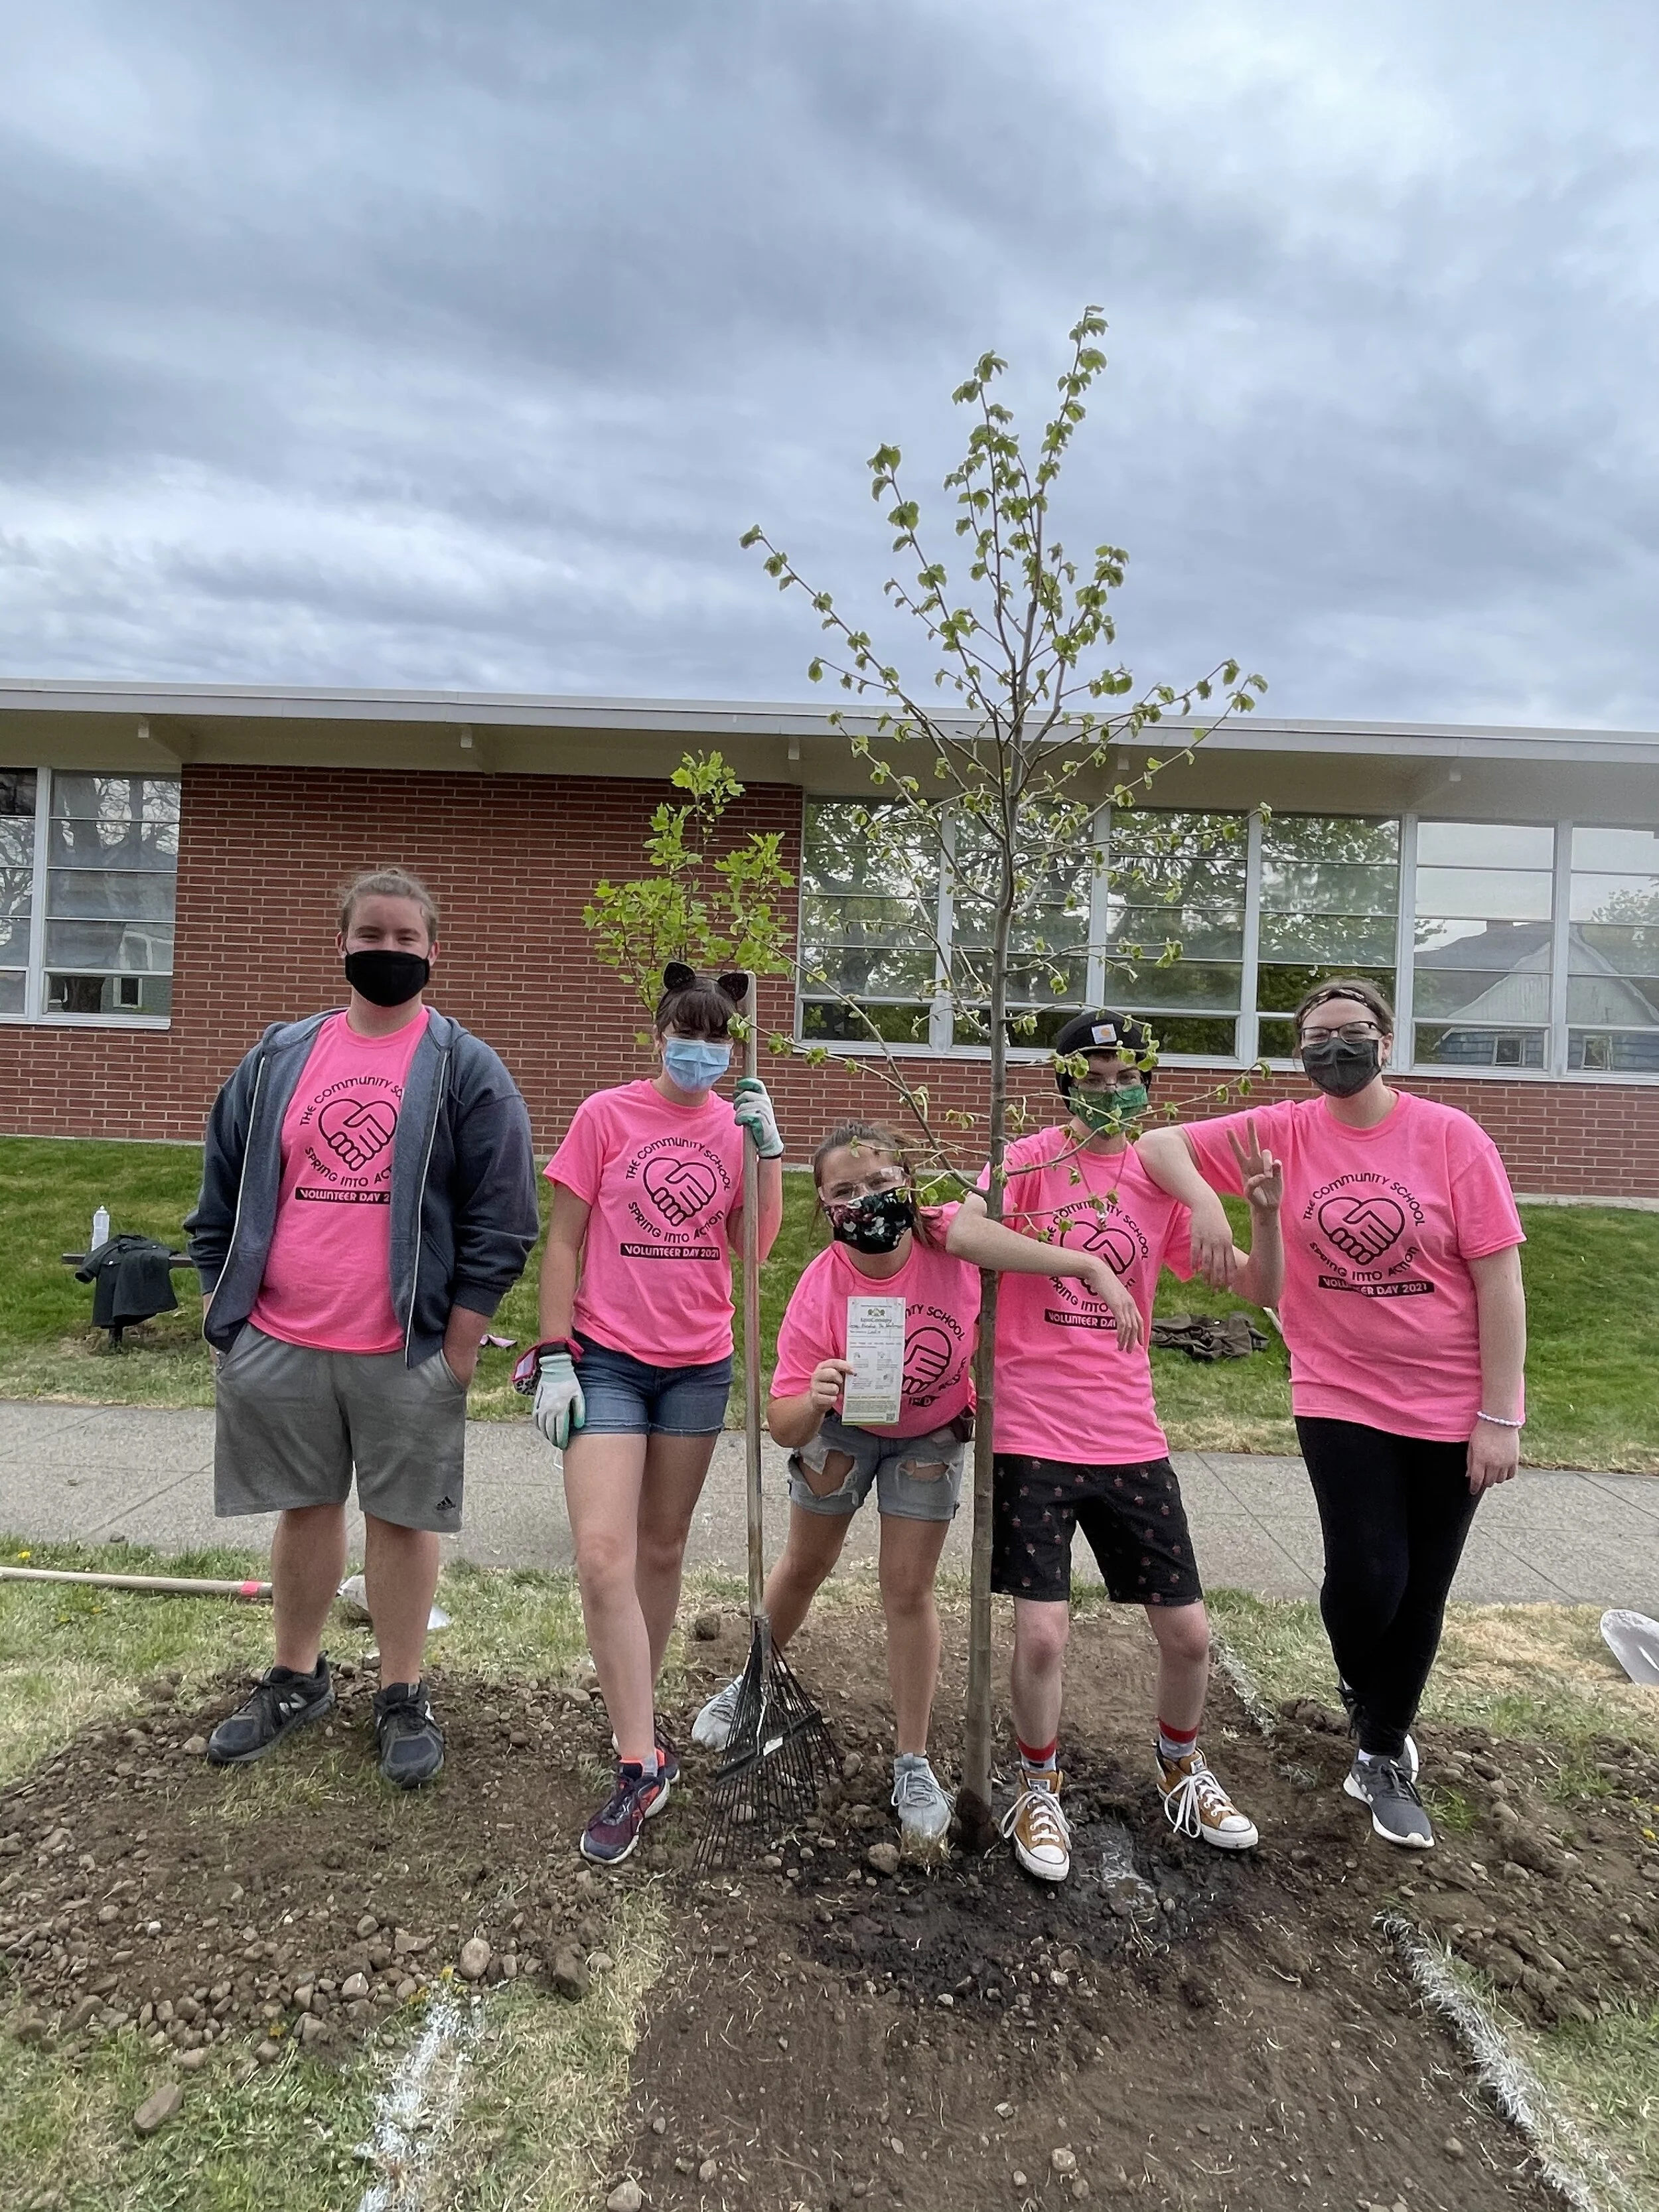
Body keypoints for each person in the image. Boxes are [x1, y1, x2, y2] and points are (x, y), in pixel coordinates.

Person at [1136, 979, 1527, 1851]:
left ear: (1388, 1042)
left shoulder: (1452, 1138)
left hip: (1449, 1399)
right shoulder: (1278, 1131)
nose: (1335, 1051)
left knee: (1422, 1585)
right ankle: (1366, 1691)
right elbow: (1156, 1143)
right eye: (1317, 1039)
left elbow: (1500, 1280)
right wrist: (1207, 1199)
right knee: (1368, 1577)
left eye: (1353, 1034)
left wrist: (1500, 1415)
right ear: (1299, 1053)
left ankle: (1381, 1749)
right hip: (1339, 1391)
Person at [690, 1117, 1144, 1848]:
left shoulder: (949, 1239)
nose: (866, 1200)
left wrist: (1087, 1266)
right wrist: (813, 1396)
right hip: (841, 1430)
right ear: (826, 1209)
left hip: (929, 1435)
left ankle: (913, 1761)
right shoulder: (820, 1289)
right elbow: (780, 1425)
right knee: (805, 1565)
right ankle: (753, 1685)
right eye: (844, 1191)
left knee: (907, 1591)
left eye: (880, 1181)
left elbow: (1008, 1238)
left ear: (909, 1180)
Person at [188, 867, 538, 1787]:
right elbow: (220, 1183)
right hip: (282, 1336)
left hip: (406, 1346)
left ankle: (401, 1690)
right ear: (340, 944)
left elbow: (503, 1217)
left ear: (433, 951)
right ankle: (298, 1678)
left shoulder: (465, 1068)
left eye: (405, 939)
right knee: (306, 1507)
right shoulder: (278, 1057)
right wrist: (225, 1314)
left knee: (401, 1519)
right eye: (371, 937)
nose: (388, 952)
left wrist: (461, 1341)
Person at [958, 1010, 1283, 1884]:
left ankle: (1181, 1768)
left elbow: (1259, 1285)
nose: (1111, 1092)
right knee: (1042, 1637)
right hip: (1032, 1431)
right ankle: (1038, 1783)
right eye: (1093, 1078)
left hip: (1129, 1433)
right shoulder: (1029, 1162)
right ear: (1064, 1082)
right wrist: (1085, 1266)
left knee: (1188, 1634)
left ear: (1146, 1081)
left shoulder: (1154, 1179)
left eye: (1126, 1076)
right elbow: (959, 1229)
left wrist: (1263, 1216)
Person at [522, 963, 786, 1864]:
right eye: (688, 1029)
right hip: (608, 1360)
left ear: (735, 1044)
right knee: (604, 1553)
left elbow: (751, 1249)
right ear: (660, 1029)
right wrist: (554, 1351)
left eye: (719, 1037)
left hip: (697, 1366)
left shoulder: (734, 1126)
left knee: (663, 1548)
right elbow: (562, 1238)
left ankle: (635, 1708)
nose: (702, 1049)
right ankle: (641, 1759)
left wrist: (768, 1154)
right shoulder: (606, 1115)